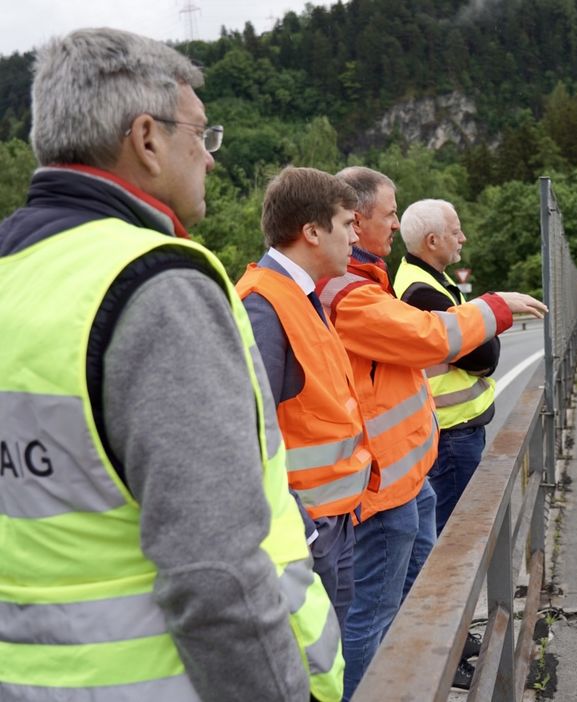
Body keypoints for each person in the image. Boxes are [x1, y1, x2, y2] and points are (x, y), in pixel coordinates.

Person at [0, 29, 343, 701]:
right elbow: (215, 576)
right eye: (202, 135)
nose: (210, 159)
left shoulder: (16, 275)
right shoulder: (155, 287)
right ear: (146, 139)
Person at [318, 166, 547, 698]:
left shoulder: (372, 281)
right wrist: (492, 307)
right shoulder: (352, 292)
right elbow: (439, 341)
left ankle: (426, 667)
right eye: (388, 214)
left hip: (407, 473)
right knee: (374, 614)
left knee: (415, 586)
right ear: (353, 221)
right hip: (381, 486)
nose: (393, 225)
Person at [236, 166, 374, 636]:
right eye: (347, 224)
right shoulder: (263, 302)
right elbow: (243, 434)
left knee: (329, 660)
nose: (354, 238)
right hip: (308, 534)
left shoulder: (299, 295)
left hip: (332, 524)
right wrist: (306, 531)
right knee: (311, 665)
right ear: (312, 231)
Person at [393, 199, 498, 535]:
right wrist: (487, 324)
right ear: (433, 241)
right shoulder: (422, 292)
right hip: (452, 433)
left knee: (454, 533)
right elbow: (484, 357)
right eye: (456, 232)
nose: (463, 238)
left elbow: (480, 343)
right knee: (458, 538)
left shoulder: (432, 282)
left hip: (455, 430)